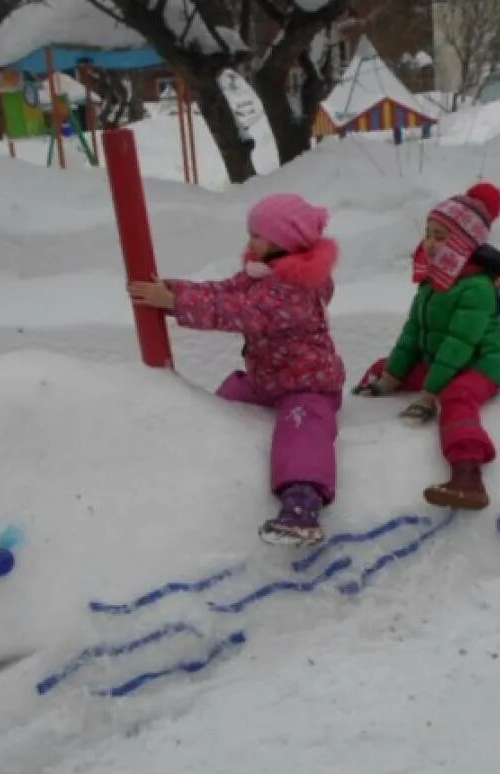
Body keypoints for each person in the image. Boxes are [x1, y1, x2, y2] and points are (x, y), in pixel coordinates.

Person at [129, 193, 345, 545]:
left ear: (283, 241)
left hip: (309, 385)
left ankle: (301, 504)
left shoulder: (293, 289)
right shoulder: (262, 274)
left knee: (302, 429)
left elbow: (236, 311)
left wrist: (175, 303)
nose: (249, 242)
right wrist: (175, 290)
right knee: (224, 400)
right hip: (268, 380)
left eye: (256, 235)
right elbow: (223, 292)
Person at [353, 182, 500, 509]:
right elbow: (414, 332)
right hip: (444, 359)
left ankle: (467, 475)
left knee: (455, 397)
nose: (430, 242)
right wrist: (391, 377)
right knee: (386, 365)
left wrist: (429, 395)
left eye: (442, 237)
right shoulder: (433, 281)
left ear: (465, 244)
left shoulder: (477, 288)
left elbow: (459, 345)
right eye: (429, 233)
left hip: (481, 363)